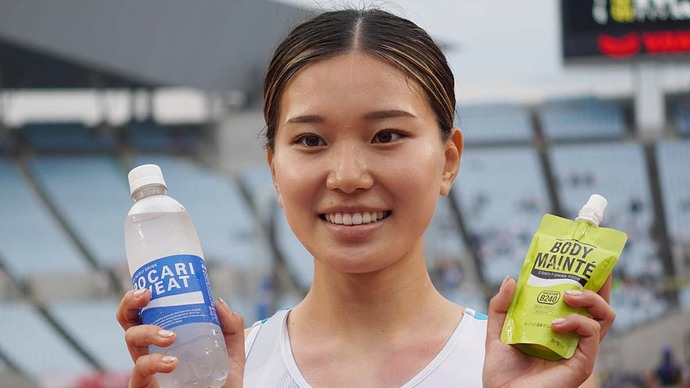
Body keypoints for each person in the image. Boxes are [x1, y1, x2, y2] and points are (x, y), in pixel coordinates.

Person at [117, 6, 616, 387]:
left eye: (386, 136)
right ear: (274, 167)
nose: (348, 176)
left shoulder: (528, 370)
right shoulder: (223, 374)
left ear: (448, 159)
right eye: (310, 141)